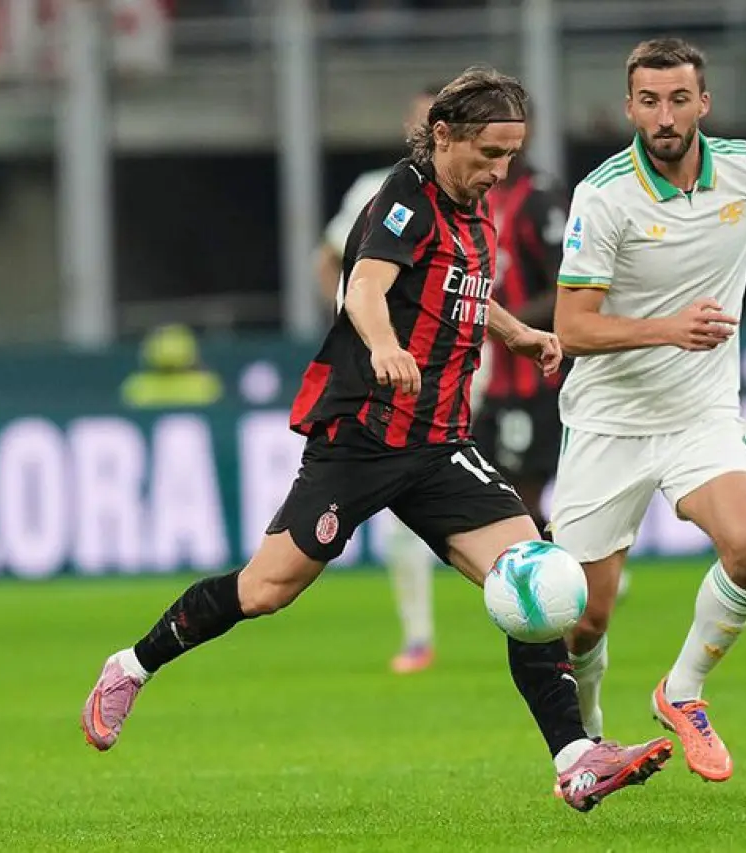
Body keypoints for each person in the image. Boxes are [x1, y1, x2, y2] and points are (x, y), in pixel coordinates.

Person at [82, 66, 673, 813]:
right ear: (443, 135)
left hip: (439, 446)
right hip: (361, 439)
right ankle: (131, 665)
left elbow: (462, 291)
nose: (499, 172)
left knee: (538, 581)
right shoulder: (404, 197)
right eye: (489, 152)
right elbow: (363, 285)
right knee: (264, 590)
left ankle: (576, 758)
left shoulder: (474, 208)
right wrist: (386, 344)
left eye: (510, 156)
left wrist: (519, 333)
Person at [551, 38, 746, 783]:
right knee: (583, 619)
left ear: (704, 102)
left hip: (701, 412)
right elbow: (572, 329)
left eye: (679, 99)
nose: (666, 116)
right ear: (629, 108)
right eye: (651, 101)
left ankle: (682, 691)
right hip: (609, 420)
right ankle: (592, 737)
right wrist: (670, 328)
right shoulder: (603, 196)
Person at [315, 83, 444, 675]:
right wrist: (357, 334)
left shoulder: (475, 196)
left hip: (477, 374)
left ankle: (574, 586)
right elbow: (333, 263)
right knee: (405, 511)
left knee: (525, 497)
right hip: (397, 381)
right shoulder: (376, 190)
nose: (429, 133)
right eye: (421, 121)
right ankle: (418, 635)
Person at [471, 123, 568, 537]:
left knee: (520, 501)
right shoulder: (474, 198)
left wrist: (501, 321)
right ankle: (567, 566)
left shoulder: (541, 198)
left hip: (535, 381)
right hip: (490, 381)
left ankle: (563, 576)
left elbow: (567, 290)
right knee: (490, 498)